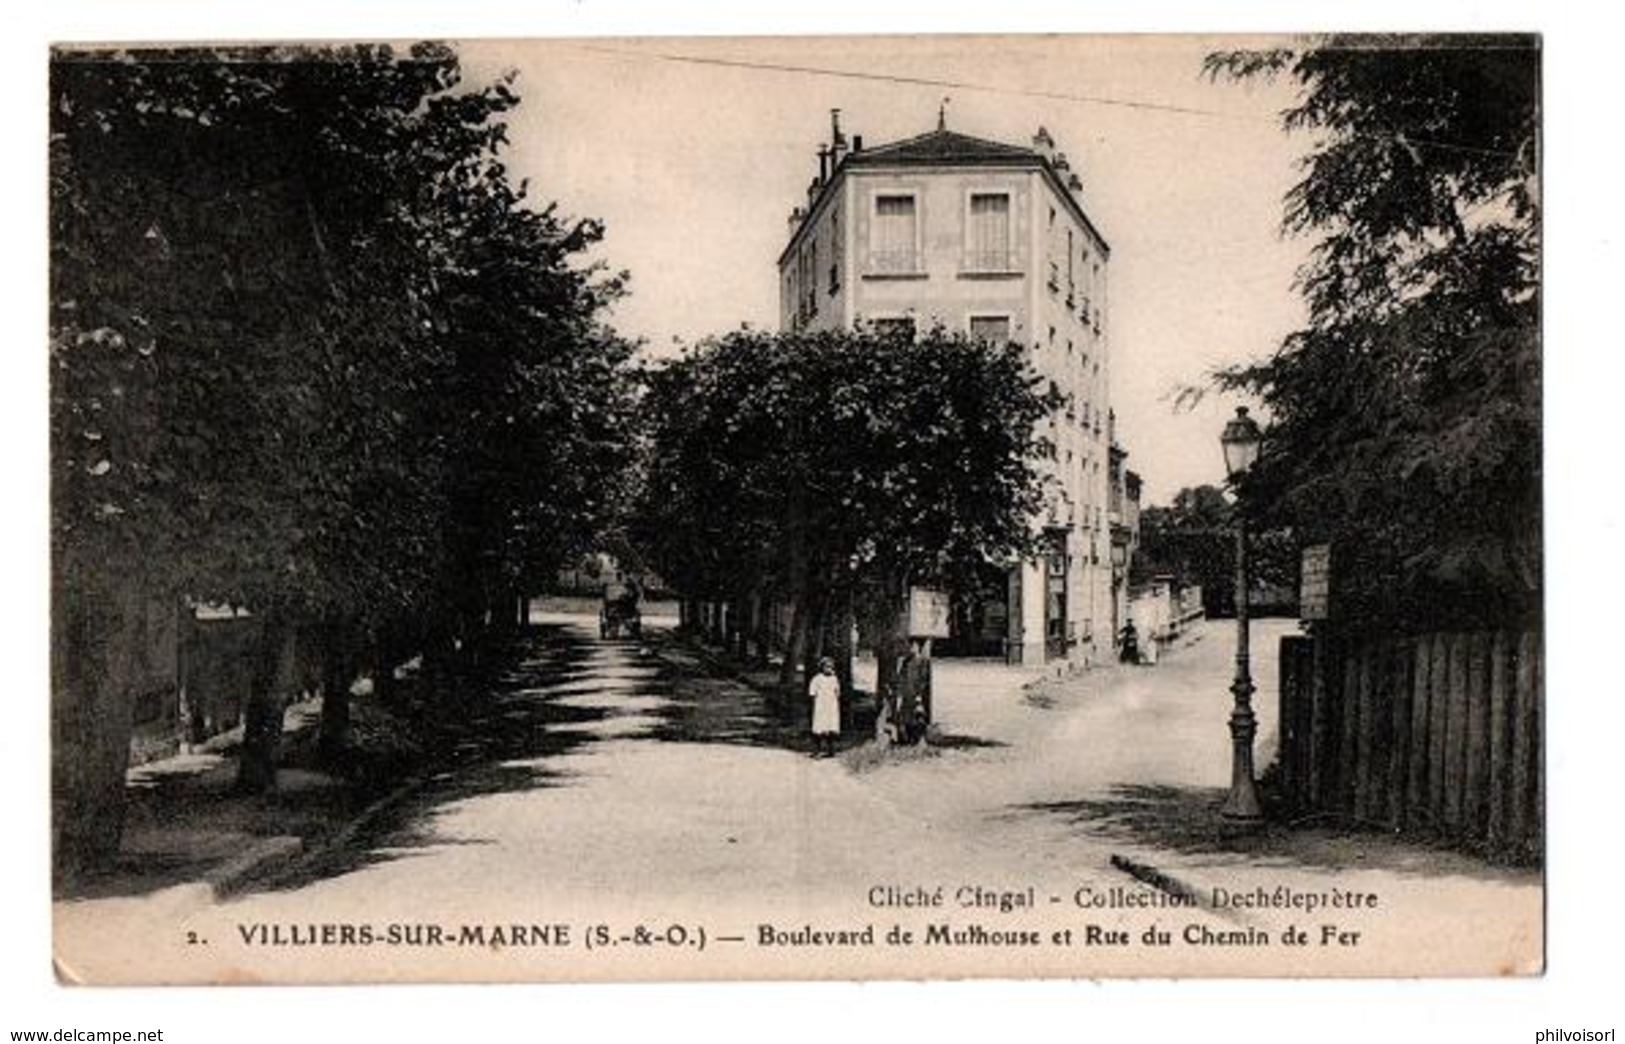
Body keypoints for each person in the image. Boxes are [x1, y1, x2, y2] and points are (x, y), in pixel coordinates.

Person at [808, 657, 842, 758]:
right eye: (826, 666)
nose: (829, 669)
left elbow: (837, 692)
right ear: (822, 667)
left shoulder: (834, 679)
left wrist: (834, 699)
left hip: (831, 706)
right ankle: (816, 751)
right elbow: (812, 692)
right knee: (819, 728)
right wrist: (816, 703)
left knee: (831, 728)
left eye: (831, 667)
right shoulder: (817, 679)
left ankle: (831, 750)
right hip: (821, 706)